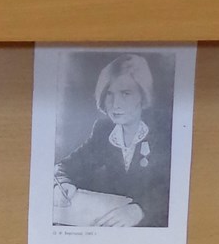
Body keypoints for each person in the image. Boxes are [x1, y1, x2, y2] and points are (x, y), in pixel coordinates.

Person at [54, 53, 169, 226]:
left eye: (126, 93)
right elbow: (65, 167)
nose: (115, 104)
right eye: (109, 94)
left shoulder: (163, 131)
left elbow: (173, 186)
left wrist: (139, 209)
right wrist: (62, 184)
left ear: (142, 94)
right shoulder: (103, 131)